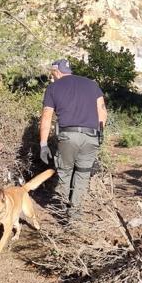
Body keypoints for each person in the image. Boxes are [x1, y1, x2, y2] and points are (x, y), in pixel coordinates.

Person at [38, 59, 107, 219]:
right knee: (83, 174)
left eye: (52, 74)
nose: (51, 77)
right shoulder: (92, 84)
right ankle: (75, 213)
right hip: (92, 135)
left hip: (68, 136)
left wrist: (43, 144)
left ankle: (64, 210)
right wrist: (99, 136)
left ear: (57, 72)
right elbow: (102, 114)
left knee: (65, 172)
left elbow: (47, 117)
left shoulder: (53, 88)